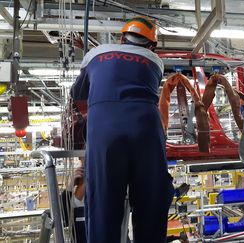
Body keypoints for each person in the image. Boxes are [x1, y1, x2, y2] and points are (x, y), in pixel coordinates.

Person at [70, 16, 174, 243]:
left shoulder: (94, 56)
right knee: (151, 198)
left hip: (104, 130)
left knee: (103, 202)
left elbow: (77, 94)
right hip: (146, 128)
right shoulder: (156, 62)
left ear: (121, 37)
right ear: (151, 45)